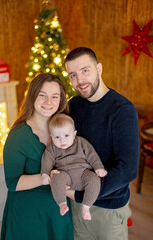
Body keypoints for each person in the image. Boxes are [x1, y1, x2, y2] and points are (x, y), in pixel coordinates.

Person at [64, 47, 139, 240]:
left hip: (108, 209)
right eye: (72, 75)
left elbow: (127, 169)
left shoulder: (122, 109)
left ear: (99, 68)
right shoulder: (72, 107)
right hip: (76, 207)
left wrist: (82, 195)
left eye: (85, 70)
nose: (79, 80)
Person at [0, 74, 74, 240]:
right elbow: (12, 183)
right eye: (43, 95)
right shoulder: (19, 136)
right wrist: (45, 178)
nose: (49, 102)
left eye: (55, 96)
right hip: (28, 214)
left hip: (58, 210)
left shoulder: (64, 127)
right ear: (32, 96)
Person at [41, 113, 107, 221]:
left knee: (94, 179)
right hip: (64, 175)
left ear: (74, 133)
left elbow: (92, 155)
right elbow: (47, 161)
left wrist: (98, 167)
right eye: (57, 137)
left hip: (83, 172)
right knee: (56, 178)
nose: (62, 141)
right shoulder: (51, 149)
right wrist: (44, 174)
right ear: (51, 137)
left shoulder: (81, 142)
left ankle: (86, 206)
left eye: (66, 136)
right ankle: (62, 203)